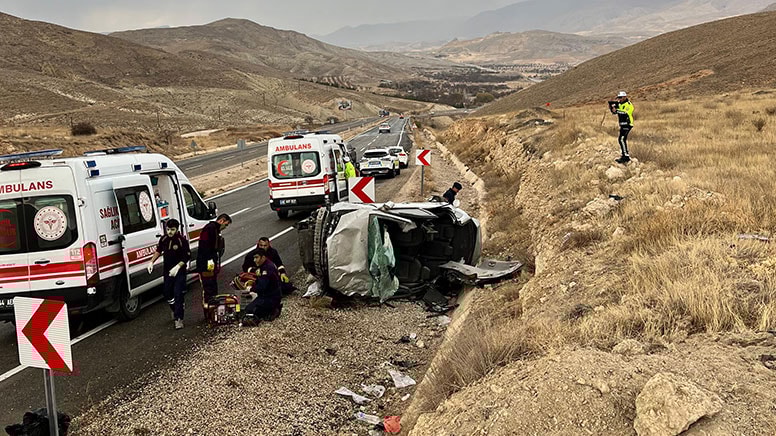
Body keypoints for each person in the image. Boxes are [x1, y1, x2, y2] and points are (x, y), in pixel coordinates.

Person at [147, 219, 191, 329]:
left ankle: (179, 318)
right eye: (168, 229)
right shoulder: (164, 239)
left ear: (177, 229)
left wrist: (178, 267)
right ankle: (175, 308)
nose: (170, 232)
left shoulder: (181, 240)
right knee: (167, 293)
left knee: (178, 293)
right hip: (167, 270)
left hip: (179, 271)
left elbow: (187, 256)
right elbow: (159, 250)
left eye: (172, 229)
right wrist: (151, 262)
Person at [197, 213, 231, 313]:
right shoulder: (210, 229)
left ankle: (213, 307)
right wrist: (209, 260)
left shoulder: (214, 229)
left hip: (210, 263)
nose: (225, 227)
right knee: (208, 287)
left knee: (212, 285)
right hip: (206, 264)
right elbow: (205, 246)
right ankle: (209, 310)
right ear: (222, 221)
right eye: (226, 224)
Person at [242, 248, 282, 325]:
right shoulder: (264, 265)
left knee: (249, 310)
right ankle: (270, 309)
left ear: (263, 257)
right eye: (254, 258)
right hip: (267, 295)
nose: (254, 260)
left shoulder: (267, 269)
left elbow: (261, 287)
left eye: (256, 257)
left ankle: (272, 310)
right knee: (249, 305)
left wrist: (251, 288)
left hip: (271, 297)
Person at [609, 91, 634, 163]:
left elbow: (625, 113)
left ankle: (625, 157)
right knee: (622, 139)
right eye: (618, 98)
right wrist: (613, 109)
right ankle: (624, 155)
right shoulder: (620, 104)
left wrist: (617, 110)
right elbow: (616, 112)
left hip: (627, 124)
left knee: (621, 139)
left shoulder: (629, 105)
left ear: (624, 97)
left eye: (620, 97)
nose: (619, 99)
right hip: (622, 124)